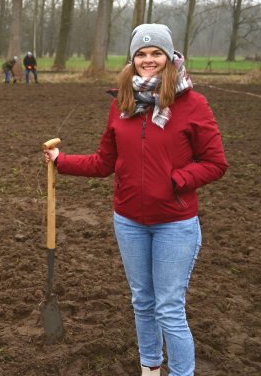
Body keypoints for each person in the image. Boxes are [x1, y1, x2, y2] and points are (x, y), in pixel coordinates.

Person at [44, 24, 228, 376]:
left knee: (169, 307)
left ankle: (181, 373)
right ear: (132, 59)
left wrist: (177, 180)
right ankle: (150, 369)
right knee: (142, 302)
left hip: (175, 223)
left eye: (156, 53)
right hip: (129, 221)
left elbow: (216, 163)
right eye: (141, 54)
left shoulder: (192, 104)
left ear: (170, 57)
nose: (148, 60)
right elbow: (104, 162)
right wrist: (61, 161)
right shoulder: (123, 104)